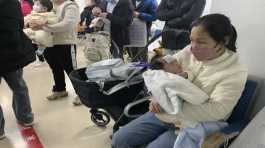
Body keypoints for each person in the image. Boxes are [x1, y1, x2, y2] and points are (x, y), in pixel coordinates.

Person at [112, 13, 248, 148]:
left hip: (194, 124)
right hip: (163, 114)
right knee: (119, 140)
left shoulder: (235, 71)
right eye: (191, 40)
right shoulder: (189, 51)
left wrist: (170, 107)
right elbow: (160, 73)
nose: (193, 47)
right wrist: (156, 96)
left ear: (223, 42)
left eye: (201, 42)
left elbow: (218, 110)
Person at [30, 0, 80, 104]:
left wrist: (44, 27)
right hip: (50, 43)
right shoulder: (52, 6)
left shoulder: (70, 5)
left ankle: (81, 93)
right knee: (55, 68)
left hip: (66, 42)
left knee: (71, 69)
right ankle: (60, 89)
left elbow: (67, 24)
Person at [0, 0, 36, 140]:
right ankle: (26, 117)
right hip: (13, 52)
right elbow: (19, 24)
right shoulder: (12, 3)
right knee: (19, 87)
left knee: (19, 87)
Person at [24, 0, 56, 67]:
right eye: (35, 4)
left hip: (43, 32)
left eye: (37, 5)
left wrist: (46, 21)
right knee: (26, 32)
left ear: (45, 8)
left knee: (41, 36)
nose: (34, 6)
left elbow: (53, 20)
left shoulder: (49, 14)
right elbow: (27, 19)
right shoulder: (34, 13)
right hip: (34, 30)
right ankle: (38, 48)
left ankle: (41, 48)